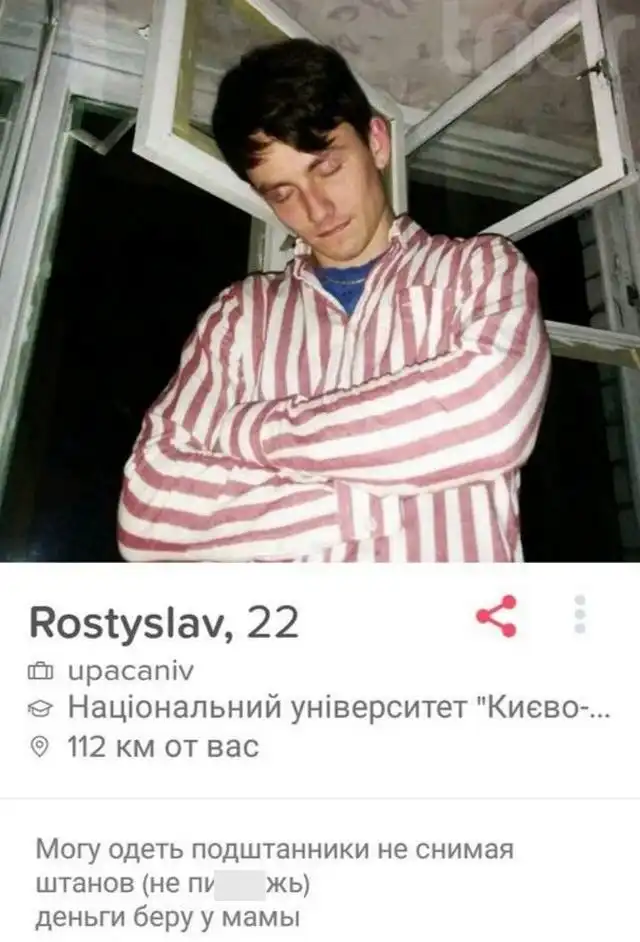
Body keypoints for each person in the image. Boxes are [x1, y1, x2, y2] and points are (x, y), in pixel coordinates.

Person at [117, 38, 551, 562]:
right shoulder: (239, 318)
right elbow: (147, 513)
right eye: (282, 193)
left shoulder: (480, 269)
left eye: (326, 168)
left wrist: (251, 430)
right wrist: (351, 507)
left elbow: (491, 420)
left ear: (377, 142)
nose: (316, 208)